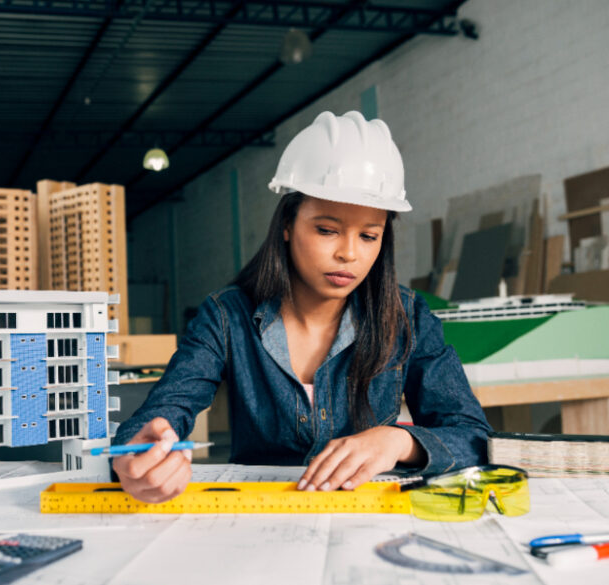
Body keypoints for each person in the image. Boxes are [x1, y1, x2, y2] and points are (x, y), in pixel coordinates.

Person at [111, 111, 491, 504]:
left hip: (366, 520)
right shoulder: (227, 316)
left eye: (368, 236)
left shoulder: (407, 317)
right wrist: (142, 455)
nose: (348, 253)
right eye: (327, 230)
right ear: (288, 224)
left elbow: (474, 437)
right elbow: (163, 412)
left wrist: (395, 442)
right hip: (259, 519)